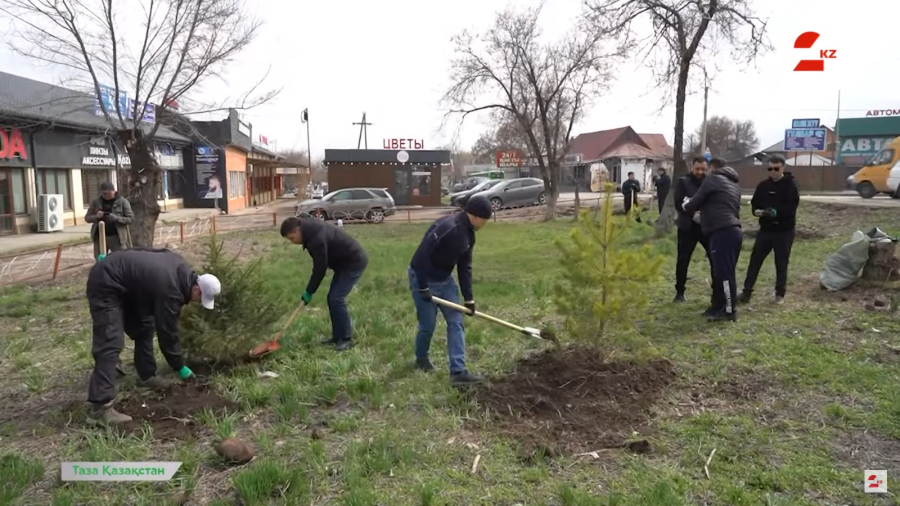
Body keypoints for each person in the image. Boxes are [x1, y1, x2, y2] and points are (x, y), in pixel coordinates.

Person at [86, 248, 221, 425]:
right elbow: (167, 334)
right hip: (106, 284)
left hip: (124, 284)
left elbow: (148, 251)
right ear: (196, 289)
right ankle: (99, 408)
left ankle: (146, 375)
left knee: (144, 327)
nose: (197, 302)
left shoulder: (179, 263)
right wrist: (179, 367)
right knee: (110, 342)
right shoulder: (171, 292)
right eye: (200, 298)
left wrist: (114, 258)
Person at [409, 194, 492, 387]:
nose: (485, 224)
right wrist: (422, 286)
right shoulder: (448, 227)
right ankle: (421, 359)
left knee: (456, 322)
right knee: (428, 326)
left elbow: (465, 267)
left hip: (445, 281)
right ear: (476, 215)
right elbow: (422, 255)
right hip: (422, 277)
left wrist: (468, 299)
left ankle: (458, 372)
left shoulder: (469, 235)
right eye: (485, 220)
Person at [280, 216, 368, 352]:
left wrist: (309, 291)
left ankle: (346, 339)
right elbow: (303, 215)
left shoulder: (316, 239)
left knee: (336, 298)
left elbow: (320, 269)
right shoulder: (306, 225)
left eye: (292, 238)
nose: (293, 242)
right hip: (342, 264)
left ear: (298, 230)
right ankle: (337, 337)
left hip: (353, 262)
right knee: (332, 298)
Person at [683, 158, 742, 322]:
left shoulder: (713, 178)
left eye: (707, 169)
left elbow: (695, 201)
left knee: (724, 274)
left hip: (721, 232)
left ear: (712, 168)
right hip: (734, 230)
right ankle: (720, 307)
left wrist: (686, 205)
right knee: (725, 273)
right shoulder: (734, 185)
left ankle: (729, 311)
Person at [738, 155, 800, 305]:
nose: (773, 172)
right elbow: (754, 204)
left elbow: (791, 208)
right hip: (765, 230)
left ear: (783, 168)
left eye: (776, 168)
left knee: (781, 262)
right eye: (770, 168)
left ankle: (780, 294)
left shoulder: (791, 186)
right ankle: (746, 292)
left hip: (784, 231)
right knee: (755, 260)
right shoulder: (763, 186)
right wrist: (757, 211)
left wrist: (776, 212)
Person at [672, 157, 714, 305]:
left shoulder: (710, 181)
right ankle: (679, 292)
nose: (700, 172)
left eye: (703, 169)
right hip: (687, 227)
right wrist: (692, 214)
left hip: (706, 227)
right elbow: (678, 203)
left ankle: (716, 290)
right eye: (697, 169)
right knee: (683, 260)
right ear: (692, 167)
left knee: (714, 258)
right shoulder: (683, 182)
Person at [84, 182, 133, 260]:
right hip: (99, 237)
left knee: (120, 260)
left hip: (117, 237)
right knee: (100, 261)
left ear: (114, 191)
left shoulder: (123, 202)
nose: (106, 195)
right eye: (104, 193)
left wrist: (116, 218)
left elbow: (130, 219)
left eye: (108, 193)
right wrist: (96, 217)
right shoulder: (96, 202)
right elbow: (87, 218)